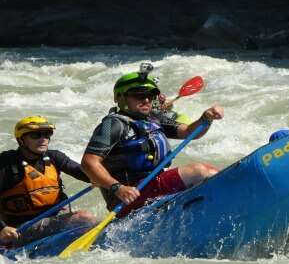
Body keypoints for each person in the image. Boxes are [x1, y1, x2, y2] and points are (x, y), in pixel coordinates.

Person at [81, 68, 223, 217]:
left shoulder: (153, 118)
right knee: (199, 171)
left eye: (150, 95)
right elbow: (89, 162)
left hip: (151, 186)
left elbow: (189, 132)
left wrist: (206, 118)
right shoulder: (113, 124)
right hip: (128, 197)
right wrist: (117, 188)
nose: (146, 100)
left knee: (208, 171)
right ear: (120, 98)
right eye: (138, 95)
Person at [0, 117, 97, 247]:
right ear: (21, 140)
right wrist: (2, 228)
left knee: (87, 221)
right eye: (35, 135)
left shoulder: (54, 157)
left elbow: (86, 173)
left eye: (47, 134)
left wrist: (106, 180)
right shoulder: (7, 164)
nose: (43, 139)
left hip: (53, 220)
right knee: (84, 218)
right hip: (22, 229)